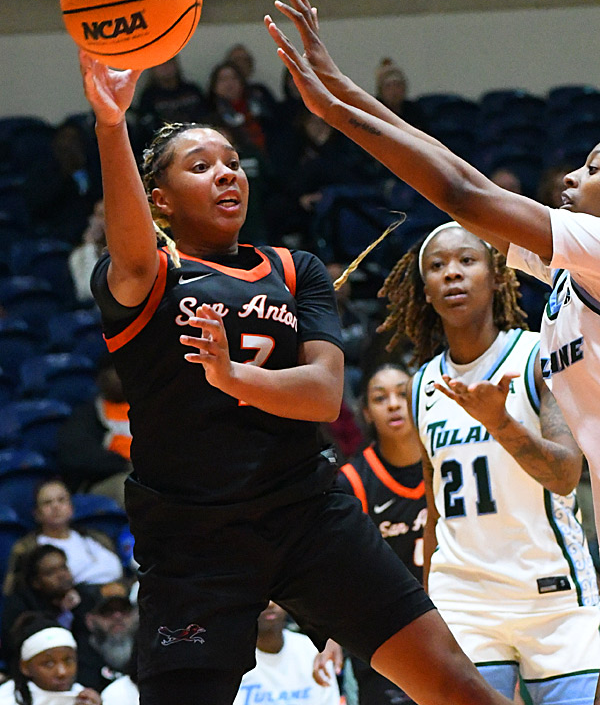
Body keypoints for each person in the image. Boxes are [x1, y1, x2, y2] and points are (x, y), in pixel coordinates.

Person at [77, 47, 515, 705]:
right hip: (195, 537)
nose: (227, 175)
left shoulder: (295, 269)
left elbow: (321, 395)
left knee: (454, 683)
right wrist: (111, 126)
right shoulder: (146, 277)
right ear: (159, 202)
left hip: (307, 511)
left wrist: (231, 376)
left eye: (231, 163)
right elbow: (131, 245)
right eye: (201, 167)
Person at [265, 0, 600, 543]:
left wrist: (339, 115)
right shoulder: (573, 269)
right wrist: (343, 90)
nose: (571, 177)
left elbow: (463, 194)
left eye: (593, 169)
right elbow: (466, 182)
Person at [382, 222, 600, 702]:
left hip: (553, 596)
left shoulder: (536, 355)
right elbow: (435, 508)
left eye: (466, 261)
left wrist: (500, 422)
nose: (452, 274)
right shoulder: (421, 384)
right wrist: (427, 602)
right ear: (426, 291)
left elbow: (566, 476)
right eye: (437, 267)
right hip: (464, 599)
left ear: (498, 275)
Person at [315, 363, 427, 705]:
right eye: (381, 398)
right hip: (385, 630)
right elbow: (339, 568)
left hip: (456, 617)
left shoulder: (447, 461)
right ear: (366, 412)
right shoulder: (353, 480)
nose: (393, 404)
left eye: (403, 394)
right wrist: (331, 637)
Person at [3, 480, 123, 596]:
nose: (55, 506)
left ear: (71, 507)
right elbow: (15, 593)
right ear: (37, 513)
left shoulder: (96, 537)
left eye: (61, 500)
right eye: (47, 502)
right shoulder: (27, 548)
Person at [0, 546, 98, 672]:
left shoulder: (84, 598)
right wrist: (61, 613)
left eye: (64, 567)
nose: (62, 575)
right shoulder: (20, 604)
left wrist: (77, 611)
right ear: (36, 582)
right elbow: (21, 647)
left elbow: (90, 644)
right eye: (51, 572)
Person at [57, 355, 133, 507]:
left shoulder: (145, 408)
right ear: (100, 379)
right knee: (129, 487)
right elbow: (77, 456)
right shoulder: (87, 415)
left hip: (148, 473)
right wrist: (124, 464)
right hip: (108, 480)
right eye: (115, 370)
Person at [233, 602, 340, 705]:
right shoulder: (231, 657)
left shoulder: (314, 650)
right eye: (262, 597)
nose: (270, 604)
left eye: (275, 597)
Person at [0, 613, 101, 705]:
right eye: (48, 664)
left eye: (68, 661)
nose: (62, 672)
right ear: (25, 667)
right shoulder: (6, 699)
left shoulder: (86, 698)